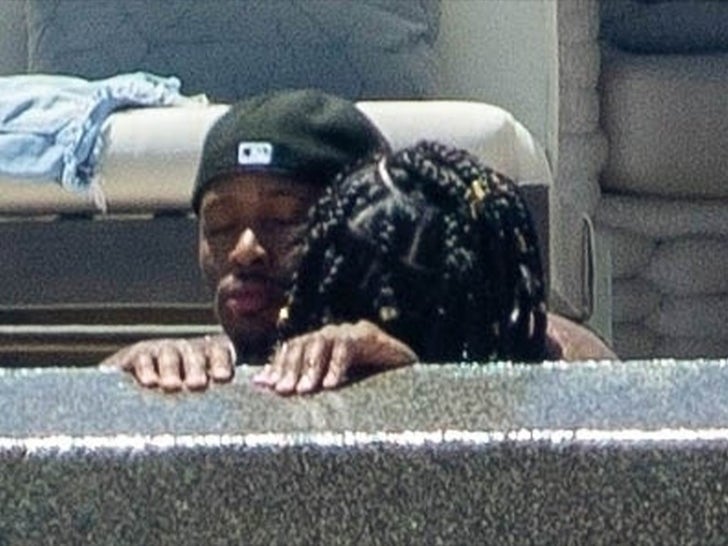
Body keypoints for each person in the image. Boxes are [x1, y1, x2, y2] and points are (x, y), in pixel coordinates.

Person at [102, 89, 615, 394]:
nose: (245, 249)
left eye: (284, 219)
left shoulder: (515, 336)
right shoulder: (203, 369)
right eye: (219, 225)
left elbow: (602, 399)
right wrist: (117, 384)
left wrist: (419, 372)